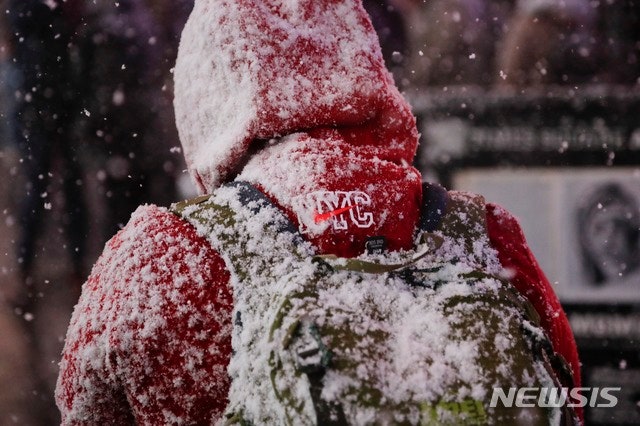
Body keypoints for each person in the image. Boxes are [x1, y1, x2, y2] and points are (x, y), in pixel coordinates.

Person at [56, 1, 581, 424]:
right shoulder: (487, 236)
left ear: (206, 89)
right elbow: (567, 402)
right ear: (366, 64)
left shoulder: (157, 263)